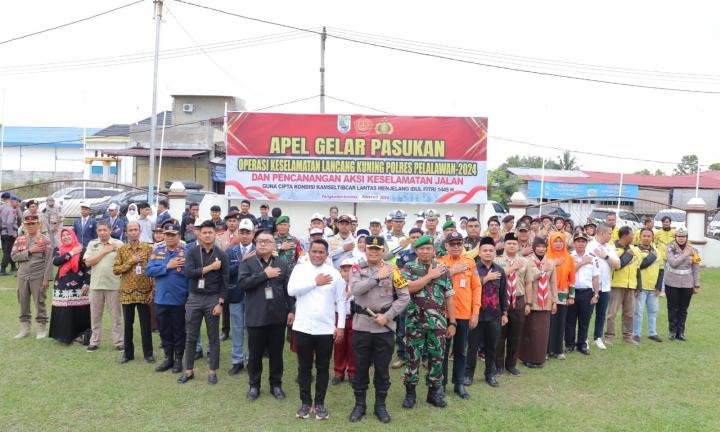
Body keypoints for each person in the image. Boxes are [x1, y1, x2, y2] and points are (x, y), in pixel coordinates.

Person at [348, 235, 410, 423]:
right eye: (370, 249)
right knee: (360, 369)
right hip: (361, 327)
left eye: (378, 249)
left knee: (382, 370)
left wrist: (388, 316)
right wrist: (376, 277)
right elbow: (356, 290)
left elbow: (404, 297)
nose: (374, 252)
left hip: (384, 328)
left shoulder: (393, 271)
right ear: (365, 250)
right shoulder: (356, 268)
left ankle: (380, 406)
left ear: (383, 251)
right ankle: (360, 405)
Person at [288, 239, 347, 420]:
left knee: (322, 367)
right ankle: (306, 403)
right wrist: (315, 282)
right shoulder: (300, 269)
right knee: (304, 367)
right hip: (303, 327)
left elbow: (341, 301)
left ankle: (320, 403)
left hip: (325, 329)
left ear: (327, 254)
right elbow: (291, 290)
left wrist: (341, 326)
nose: (317, 255)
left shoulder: (334, 274)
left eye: (321, 252)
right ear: (308, 252)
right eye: (314, 251)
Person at [400, 235, 455, 409]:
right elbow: (407, 288)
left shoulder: (443, 269)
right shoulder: (409, 267)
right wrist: (429, 276)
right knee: (412, 358)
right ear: (416, 250)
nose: (425, 251)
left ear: (433, 250)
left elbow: (449, 298)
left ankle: (434, 393)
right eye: (421, 248)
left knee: (437, 358)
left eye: (428, 248)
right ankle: (410, 394)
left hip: (438, 324)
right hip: (414, 323)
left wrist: (452, 322)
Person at [238, 230, 294, 400]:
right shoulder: (247, 262)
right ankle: (254, 386)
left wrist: (292, 310)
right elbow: (243, 284)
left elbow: (288, 290)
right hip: (256, 316)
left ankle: (276, 384)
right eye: (260, 241)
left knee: (276, 353)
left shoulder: (282, 263)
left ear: (274, 245)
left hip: (277, 316)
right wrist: (264, 275)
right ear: (256, 243)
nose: (263, 244)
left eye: (267, 241)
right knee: (255, 355)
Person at [178, 221, 229, 385]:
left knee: (213, 337)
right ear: (199, 234)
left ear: (215, 235)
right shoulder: (192, 252)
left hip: (212, 298)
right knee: (191, 336)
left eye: (210, 232)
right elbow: (189, 273)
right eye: (204, 232)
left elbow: (225, 281)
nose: (207, 235)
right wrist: (211, 267)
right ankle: (189, 370)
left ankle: (212, 372)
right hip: (194, 297)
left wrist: (220, 303)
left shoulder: (222, 255)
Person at [438, 231, 480, 399]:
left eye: (458, 243)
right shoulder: (439, 262)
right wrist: (451, 271)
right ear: (446, 246)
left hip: (463, 314)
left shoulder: (470, 262)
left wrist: (475, 312)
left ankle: (459, 383)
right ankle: (440, 384)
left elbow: (477, 288)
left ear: (462, 245)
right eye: (452, 244)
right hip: (443, 314)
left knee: (461, 351)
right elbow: (433, 281)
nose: (455, 246)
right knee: (442, 351)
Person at [146, 222, 188, 373]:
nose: (170, 237)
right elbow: (149, 270)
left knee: (178, 330)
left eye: (173, 235)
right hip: (161, 299)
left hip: (179, 298)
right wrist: (167, 267)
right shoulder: (157, 251)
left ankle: (178, 359)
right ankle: (168, 358)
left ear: (179, 236)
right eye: (167, 235)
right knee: (164, 330)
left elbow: (191, 275)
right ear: (163, 236)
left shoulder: (186, 252)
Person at [465, 237, 508, 388]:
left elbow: (503, 294)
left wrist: (505, 313)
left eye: (491, 250)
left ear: (495, 252)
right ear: (480, 253)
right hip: (476, 315)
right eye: (485, 250)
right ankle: (468, 375)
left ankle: (490, 374)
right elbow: (469, 290)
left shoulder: (500, 270)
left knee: (492, 347)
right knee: (472, 347)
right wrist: (486, 278)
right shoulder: (473, 269)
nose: (488, 253)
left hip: (494, 316)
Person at [113, 221, 155, 364]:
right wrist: (131, 261)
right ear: (126, 232)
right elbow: (116, 270)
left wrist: (152, 290)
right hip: (127, 292)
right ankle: (127, 354)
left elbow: (154, 270)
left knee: (145, 324)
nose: (133, 232)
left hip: (144, 291)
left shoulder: (148, 249)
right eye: (130, 230)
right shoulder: (122, 249)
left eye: (135, 229)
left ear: (140, 231)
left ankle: (148, 353)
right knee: (128, 324)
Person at [493, 232, 532, 376]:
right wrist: (513, 268)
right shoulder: (497, 261)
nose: (511, 245)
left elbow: (528, 283)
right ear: (504, 245)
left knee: (515, 334)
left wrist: (529, 303)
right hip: (501, 300)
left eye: (514, 243)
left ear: (518, 246)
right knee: (500, 335)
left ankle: (511, 365)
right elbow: (497, 276)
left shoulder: (526, 261)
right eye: (509, 243)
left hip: (519, 299)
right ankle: (498, 366)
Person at [83, 220, 125, 351]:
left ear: (110, 230)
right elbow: (88, 262)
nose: (102, 232)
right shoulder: (92, 244)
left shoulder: (119, 244)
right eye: (99, 230)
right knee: (95, 316)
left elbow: (125, 263)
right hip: (95, 286)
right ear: (96, 231)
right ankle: (94, 341)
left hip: (114, 285)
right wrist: (104, 251)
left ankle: (119, 342)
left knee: (116, 317)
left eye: (104, 230)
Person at [11, 215, 54, 339]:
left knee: (39, 301)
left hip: (38, 276)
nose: (30, 226)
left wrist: (47, 278)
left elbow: (49, 261)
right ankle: (25, 329)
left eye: (33, 223)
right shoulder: (20, 239)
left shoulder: (45, 240)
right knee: (23, 301)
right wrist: (30, 250)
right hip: (22, 276)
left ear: (38, 224)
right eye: (27, 224)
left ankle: (41, 328)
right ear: (24, 225)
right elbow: (14, 257)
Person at [518, 237, 558, 369]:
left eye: (543, 246)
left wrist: (554, 301)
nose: (541, 249)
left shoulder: (551, 262)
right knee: (530, 331)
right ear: (534, 247)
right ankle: (527, 357)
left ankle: (540, 358)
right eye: (538, 246)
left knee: (543, 332)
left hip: (546, 301)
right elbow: (530, 278)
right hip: (531, 300)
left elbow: (553, 283)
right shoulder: (528, 261)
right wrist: (542, 271)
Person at [49, 228, 91, 344]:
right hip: (61, 285)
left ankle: (79, 336)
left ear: (73, 236)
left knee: (79, 311)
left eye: (68, 234)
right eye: (63, 235)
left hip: (79, 286)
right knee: (63, 310)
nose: (66, 237)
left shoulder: (83, 249)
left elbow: (88, 268)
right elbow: (56, 261)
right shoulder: (59, 249)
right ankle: (63, 336)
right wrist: (72, 253)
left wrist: (87, 283)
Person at [226, 218, 255, 376]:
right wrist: (241, 263)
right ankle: (237, 361)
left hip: (253, 296)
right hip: (235, 294)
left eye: (247, 232)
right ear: (238, 233)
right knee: (236, 329)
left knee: (250, 329)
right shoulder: (231, 251)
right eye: (242, 232)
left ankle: (250, 360)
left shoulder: (259, 250)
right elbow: (225, 271)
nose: (244, 236)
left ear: (253, 234)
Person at [605, 226, 643, 346]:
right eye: (632, 235)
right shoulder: (612, 249)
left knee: (629, 312)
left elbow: (638, 268)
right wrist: (627, 255)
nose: (633, 237)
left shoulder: (635, 249)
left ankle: (627, 336)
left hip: (631, 285)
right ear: (624, 235)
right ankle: (609, 336)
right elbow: (617, 265)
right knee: (612, 312)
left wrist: (638, 285)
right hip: (616, 284)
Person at [565, 232, 599, 355]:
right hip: (572, 292)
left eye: (583, 241)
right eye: (578, 241)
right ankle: (569, 344)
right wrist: (582, 262)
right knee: (570, 321)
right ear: (574, 243)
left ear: (586, 243)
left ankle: (582, 344)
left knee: (584, 320)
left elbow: (595, 277)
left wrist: (596, 294)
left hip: (587, 292)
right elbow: (568, 273)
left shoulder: (593, 257)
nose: (580, 243)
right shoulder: (569, 257)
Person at [586, 224, 620, 350]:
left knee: (601, 314)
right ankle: (584, 338)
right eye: (609, 233)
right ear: (601, 233)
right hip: (590, 286)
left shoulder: (609, 248)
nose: (611, 235)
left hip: (605, 286)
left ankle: (597, 337)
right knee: (587, 314)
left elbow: (617, 264)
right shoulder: (589, 246)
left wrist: (605, 256)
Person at [664, 227, 700, 341]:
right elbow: (673, 263)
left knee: (683, 309)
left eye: (683, 236)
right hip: (672, 282)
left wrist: (696, 284)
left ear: (686, 237)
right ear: (675, 237)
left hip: (687, 283)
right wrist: (685, 254)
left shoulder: (693, 250)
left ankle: (681, 332)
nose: (680, 239)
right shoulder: (670, 248)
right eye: (678, 236)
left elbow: (695, 268)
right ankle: (672, 332)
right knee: (672, 308)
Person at [545, 232, 576, 359]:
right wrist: (554, 263)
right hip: (547, 294)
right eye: (555, 241)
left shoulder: (569, 258)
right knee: (548, 322)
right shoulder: (546, 257)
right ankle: (546, 350)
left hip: (562, 294)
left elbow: (572, 278)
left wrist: (571, 296)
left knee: (560, 321)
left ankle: (558, 350)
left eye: (560, 241)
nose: (558, 244)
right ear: (551, 242)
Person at [633, 228, 663, 343]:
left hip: (653, 288)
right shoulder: (635, 251)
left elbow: (661, 270)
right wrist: (652, 256)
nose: (646, 238)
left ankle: (652, 333)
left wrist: (659, 286)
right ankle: (636, 334)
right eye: (644, 236)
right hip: (641, 287)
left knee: (653, 311)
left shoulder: (657, 252)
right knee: (638, 312)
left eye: (649, 236)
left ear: (652, 238)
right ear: (640, 237)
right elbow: (640, 266)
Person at [332, 258, 356, 386]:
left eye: (350, 270)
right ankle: (338, 372)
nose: (347, 274)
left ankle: (352, 372)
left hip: (354, 318)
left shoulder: (359, 283)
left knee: (353, 346)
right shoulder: (337, 283)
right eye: (344, 271)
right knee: (339, 345)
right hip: (338, 317)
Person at [1, 191, 20, 275]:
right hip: (9, 233)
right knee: (8, 252)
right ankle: (3, 270)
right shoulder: (12, 210)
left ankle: (13, 266)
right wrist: (12, 233)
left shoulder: (1, 208)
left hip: (3, 232)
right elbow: (9, 223)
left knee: (9, 250)